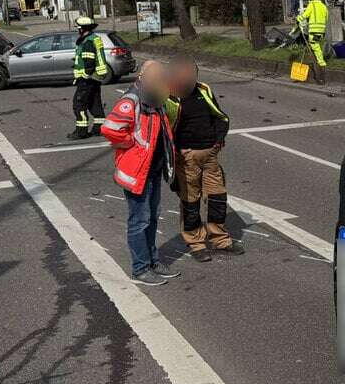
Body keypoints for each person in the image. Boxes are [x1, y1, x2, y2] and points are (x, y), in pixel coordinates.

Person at [101, 60, 180, 286]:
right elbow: (110, 128)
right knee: (140, 220)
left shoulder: (155, 99)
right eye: (156, 78)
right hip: (136, 173)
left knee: (152, 217)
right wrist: (130, 144)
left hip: (152, 170)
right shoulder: (133, 99)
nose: (160, 81)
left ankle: (152, 261)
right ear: (143, 77)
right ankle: (140, 268)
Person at [165, 59, 244, 262]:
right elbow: (163, 130)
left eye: (191, 74)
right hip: (187, 158)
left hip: (210, 155)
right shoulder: (169, 96)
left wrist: (218, 140)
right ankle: (196, 243)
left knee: (218, 198)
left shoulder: (203, 90)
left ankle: (221, 240)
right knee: (191, 203)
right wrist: (177, 151)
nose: (188, 78)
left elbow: (219, 117)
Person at [69, 16, 108, 140]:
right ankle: (99, 128)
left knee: (78, 104)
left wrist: (84, 77)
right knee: (94, 102)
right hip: (96, 78)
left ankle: (81, 131)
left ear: (82, 29)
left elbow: (89, 63)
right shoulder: (93, 38)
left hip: (88, 79)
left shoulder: (87, 42)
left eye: (78, 28)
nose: (77, 30)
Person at [291, 0, 329, 78]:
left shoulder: (312, 5)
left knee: (315, 46)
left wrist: (298, 19)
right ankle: (318, 61)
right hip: (321, 31)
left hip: (313, 30)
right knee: (316, 45)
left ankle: (321, 63)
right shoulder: (324, 7)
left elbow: (305, 15)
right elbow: (326, 19)